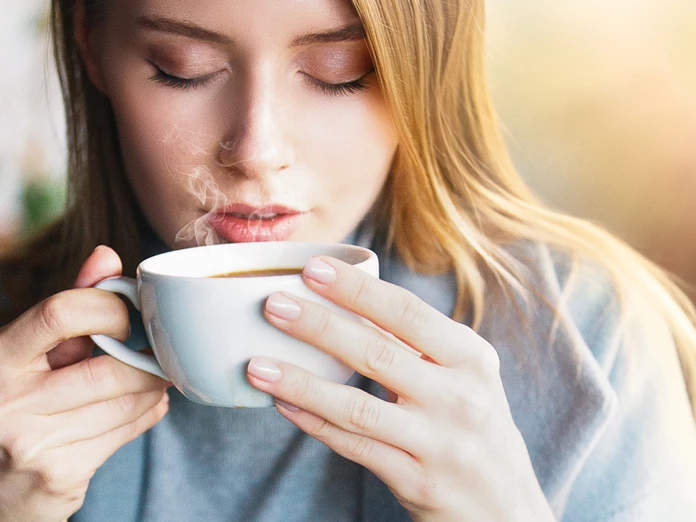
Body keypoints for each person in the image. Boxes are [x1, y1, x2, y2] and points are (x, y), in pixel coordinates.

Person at [1, 0, 695, 520]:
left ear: (421, 72)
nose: (257, 149)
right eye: (184, 70)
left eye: (341, 73)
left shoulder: (587, 334)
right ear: (90, 48)